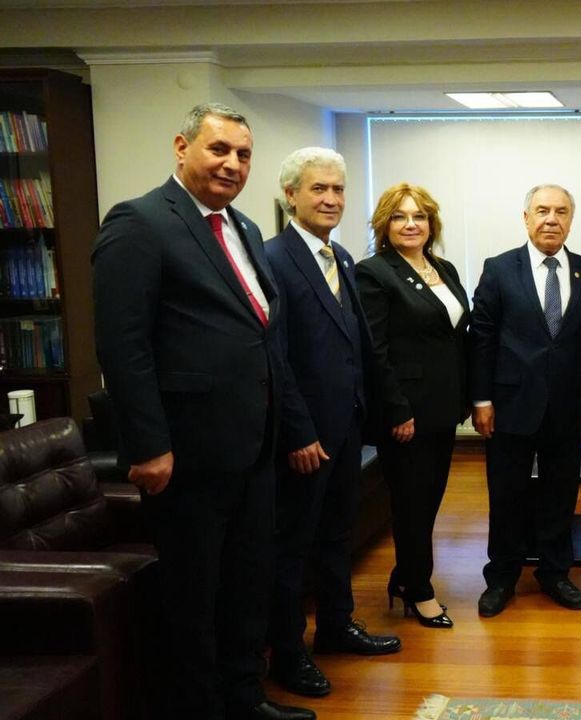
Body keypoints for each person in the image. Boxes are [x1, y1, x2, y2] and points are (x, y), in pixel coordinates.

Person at [92, 103, 314, 720]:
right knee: (194, 596)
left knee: (247, 584)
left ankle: (245, 697)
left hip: (253, 446)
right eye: (219, 149)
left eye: (243, 154)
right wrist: (147, 444)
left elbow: (261, 333)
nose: (232, 164)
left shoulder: (244, 227)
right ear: (181, 147)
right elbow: (122, 345)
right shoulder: (140, 222)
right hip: (186, 453)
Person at [264, 148, 401, 700]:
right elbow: (276, 356)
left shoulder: (339, 256)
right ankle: (288, 652)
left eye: (338, 190)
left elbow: (353, 343)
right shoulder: (273, 259)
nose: (330, 199)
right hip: (305, 436)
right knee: (293, 545)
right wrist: (299, 431)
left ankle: (336, 626)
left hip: (347, 427)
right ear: (290, 195)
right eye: (318, 189)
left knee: (337, 533)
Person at [470, 184, 581, 617]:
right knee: (506, 494)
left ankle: (555, 572)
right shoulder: (498, 269)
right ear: (526, 218)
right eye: (542, 210)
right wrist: (481, 399)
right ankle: (502, 576)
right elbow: (482, 338)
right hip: (509, 406)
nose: (551, 219)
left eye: (561, 211)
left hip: (568, 408)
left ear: (571, 220)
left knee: (560, 494)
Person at [355, 183, 471, 629]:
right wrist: (396, 410)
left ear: (431, 223)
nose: (410, 224)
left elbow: (454, 336)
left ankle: (404, 577)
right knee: (411, 505)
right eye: (399, 216)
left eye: (419, 216)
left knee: (430, 499)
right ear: (384, 225)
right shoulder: (374, 273)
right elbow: (375, 350)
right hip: (407, 413)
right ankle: (419, 590)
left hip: (443, 407)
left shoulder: (443, 267)